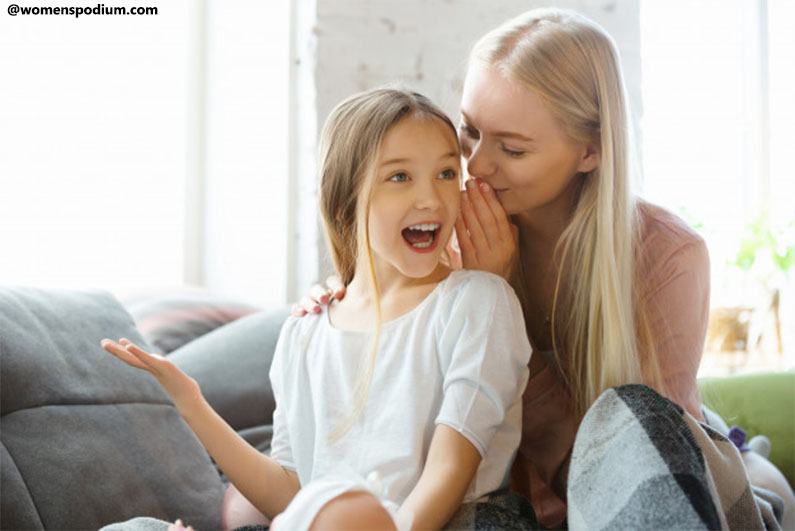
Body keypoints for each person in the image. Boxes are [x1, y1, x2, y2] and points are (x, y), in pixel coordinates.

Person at [294, 7, 794, 529]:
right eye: (469, 132)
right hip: (507, 499)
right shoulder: (442, 227)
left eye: (512, 148)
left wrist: (499, 302)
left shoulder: (668, 255)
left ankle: (751, 456)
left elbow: (636, 470)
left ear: (591, 150)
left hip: (641, 479)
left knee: (654, 425)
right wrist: (350, 298)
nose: (477, 165)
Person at [102, 88, 533, 530]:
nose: (432, 198)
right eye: (400, 177)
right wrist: (191, 403)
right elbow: (291, 493)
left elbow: (449, 470)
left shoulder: (479, 302)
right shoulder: (304, 333)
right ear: (347, 194)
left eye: (446, 172)